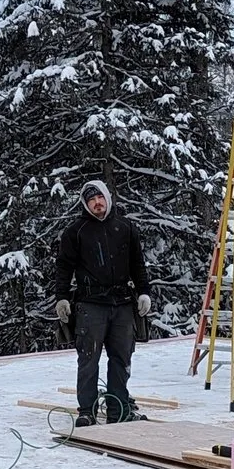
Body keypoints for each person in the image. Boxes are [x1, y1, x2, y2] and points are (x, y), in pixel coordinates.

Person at [53, 179, 150, 426]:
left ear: (108, 198)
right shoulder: (76, 232)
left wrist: (143, 292)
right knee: (89, 358)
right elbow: (64, 267)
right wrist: (62, 297)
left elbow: (137, 263)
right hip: (90, 304)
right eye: (91, 200)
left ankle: (118, 409)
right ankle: (87, 410)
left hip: (122, 304)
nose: (97, 203)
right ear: (85, 205)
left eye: (100, 198)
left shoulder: (125, 227)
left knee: (121, 358)